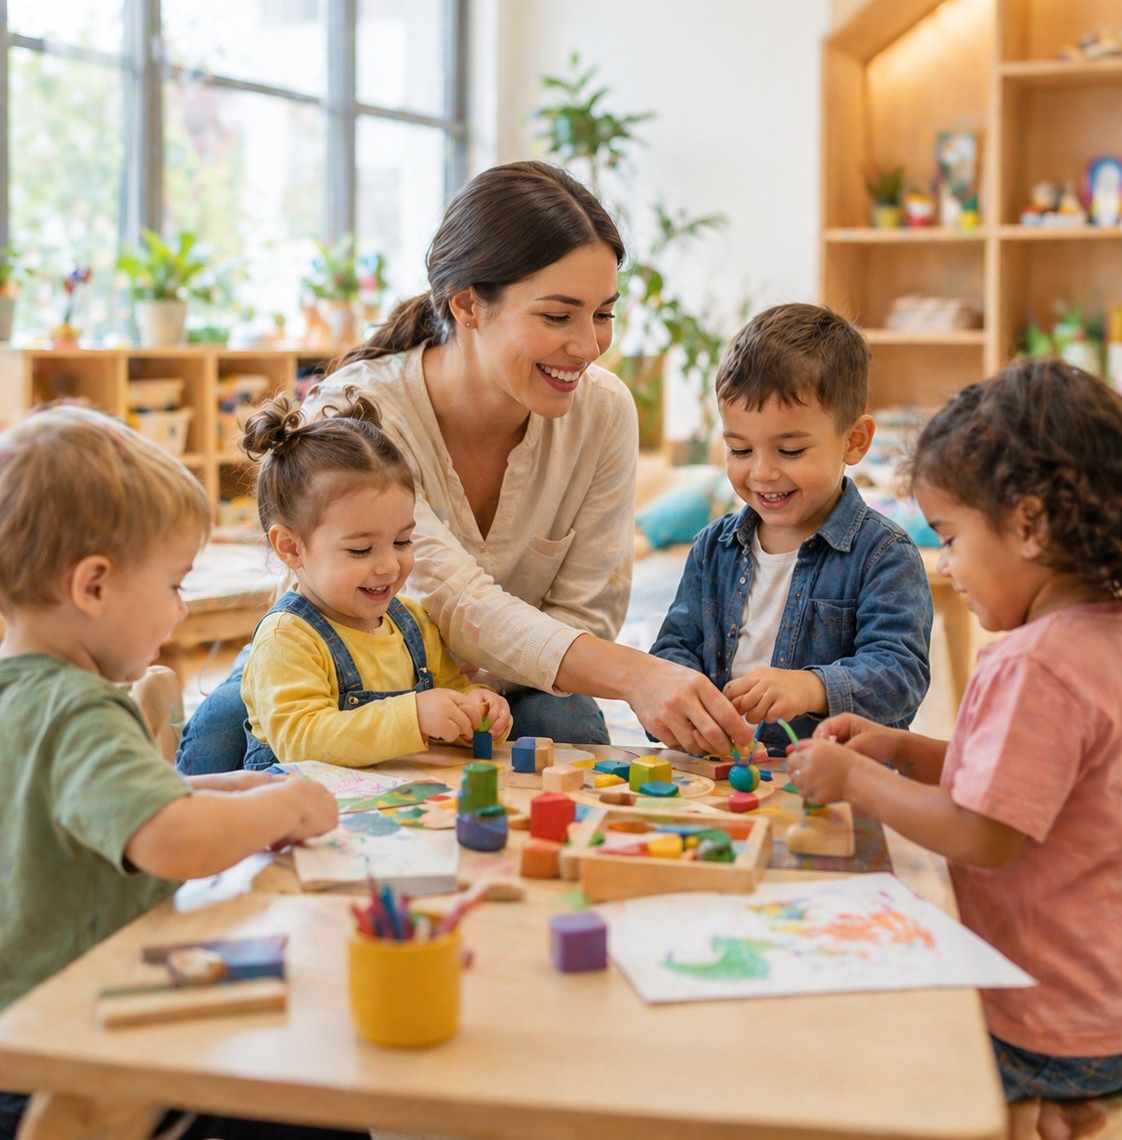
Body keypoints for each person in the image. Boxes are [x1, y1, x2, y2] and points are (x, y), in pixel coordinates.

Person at [177, 160, 749, 775]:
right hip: (337, 654)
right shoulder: (356, 410)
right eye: (558, 316)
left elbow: (588, 613)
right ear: (469, 306)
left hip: (502, 681)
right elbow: (449, 597)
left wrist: (477, 689)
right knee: (216, 740)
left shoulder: (604, 411)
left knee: (564, 727)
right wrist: (635, 674)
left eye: (602, 313)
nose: (588, 345)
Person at [0, 407, 359, 1140]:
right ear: (93, 587)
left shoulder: (20, 695)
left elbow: (85, 812)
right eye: (173, 585)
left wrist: (227, 789)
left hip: (19, 1031)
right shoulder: (80, 710)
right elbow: (170, 842)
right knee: (314, 1097)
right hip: (76, 1046)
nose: (179, 609)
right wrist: (284, 808)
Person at [788, 359, 1122, 1139]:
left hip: (1035, 1002)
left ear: (1031, 525)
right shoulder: (1100, 637)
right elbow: (1039, 786)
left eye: (951, 537)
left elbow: (985, 831)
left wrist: (854, 782)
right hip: (1097, 994)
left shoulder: (1033, 662)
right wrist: (902, 749)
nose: (945, 566)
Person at [650, 303, 932, 753]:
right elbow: (674, 647)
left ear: (854, 441)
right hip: (722, 770)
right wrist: (683, 699)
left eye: (791, 451)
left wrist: (811, 688)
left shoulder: (885, 554)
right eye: (740, 450)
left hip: (837, 782)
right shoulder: (711, 548)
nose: (762, 473)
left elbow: (900, 675)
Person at [238, 389, 511, 768]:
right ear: (291, 547)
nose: (388, 565)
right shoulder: (287, 639)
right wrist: (413, 715)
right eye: (361, 550)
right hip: (302, 816)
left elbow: (452, 690)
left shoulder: (412, 622)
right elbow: (300, 742)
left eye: (402, 541)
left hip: (390, 809)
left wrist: (477, 707)